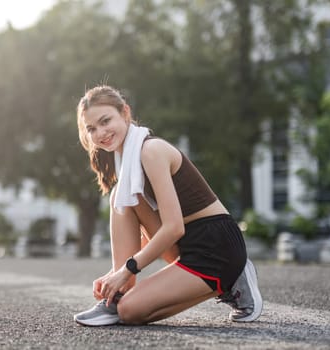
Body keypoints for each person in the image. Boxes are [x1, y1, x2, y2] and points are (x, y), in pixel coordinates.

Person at [73, 85, 263, 326]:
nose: (101, 132)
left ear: (125, 113)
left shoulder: (151, 151)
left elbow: (173, 228)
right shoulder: (128, 165)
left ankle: (233, 280)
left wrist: (127, 269)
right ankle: (116, 296)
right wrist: (117, 274)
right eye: (91, 128)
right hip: (186, 244)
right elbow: (156, 232)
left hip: (216, 246)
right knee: (119, 199)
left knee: (130, 311)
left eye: (105, 120)